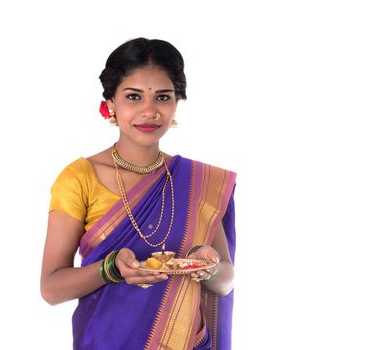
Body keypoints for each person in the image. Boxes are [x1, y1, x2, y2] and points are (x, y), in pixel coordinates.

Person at [40, 37, 237, 350]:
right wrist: (111, 268)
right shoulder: (80, 178)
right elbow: (51, 288)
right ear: (110, 105)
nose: (149, 111)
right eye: (133, 97)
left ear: (175, 105)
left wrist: (207, 267)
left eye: (162, 97)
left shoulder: (198, 181)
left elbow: (226, 280)